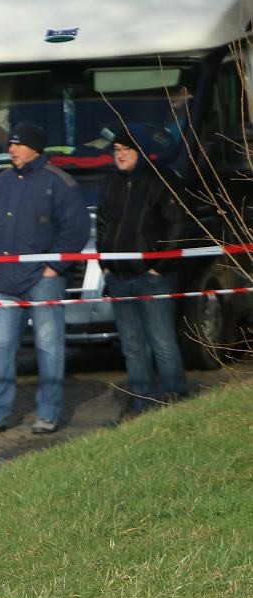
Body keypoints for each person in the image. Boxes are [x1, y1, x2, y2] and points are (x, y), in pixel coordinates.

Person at [0, 122, 91, 435]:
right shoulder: (1, 182)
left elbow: (76, 230)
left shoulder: (59, 182)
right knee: (1, 347)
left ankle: (47, 413)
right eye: (9, 145)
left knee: (49, 346)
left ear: (34, 147)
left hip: (43, 280)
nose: (11, 150)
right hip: (3, 280)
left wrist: (52, 268)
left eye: (17, 145)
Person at [96, 125, 192, 419]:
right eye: (116, 150)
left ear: (139, 152)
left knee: (162, 342)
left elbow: (178, 223)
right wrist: (107, 265)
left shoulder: (162, 179)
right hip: (119, 278)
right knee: (132, 346)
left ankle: (177, 401)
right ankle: (142, 403)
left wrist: (157, 267)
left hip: (153, 278)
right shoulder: (111, 181)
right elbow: (102, 222)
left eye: (126, 150)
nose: (120, 155)